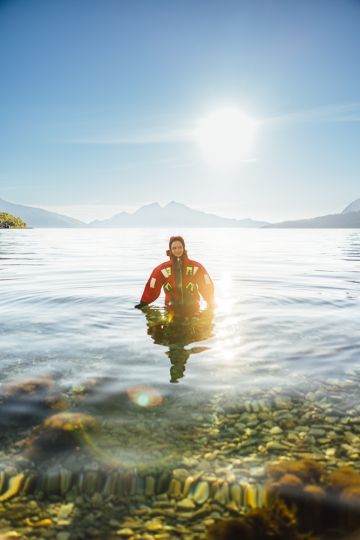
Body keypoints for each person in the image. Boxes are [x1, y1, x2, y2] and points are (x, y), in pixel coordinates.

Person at [135, 236, 214, 311]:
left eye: (180, 247)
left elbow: (206, 284)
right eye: (174, 248)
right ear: (170, 250)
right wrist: (144, 303)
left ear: (184, 248)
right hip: (171, 308)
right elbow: (152, 285)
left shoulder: (196, 267)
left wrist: (211, 302)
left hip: (192, 307)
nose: (177, 250)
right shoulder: (163, 268)